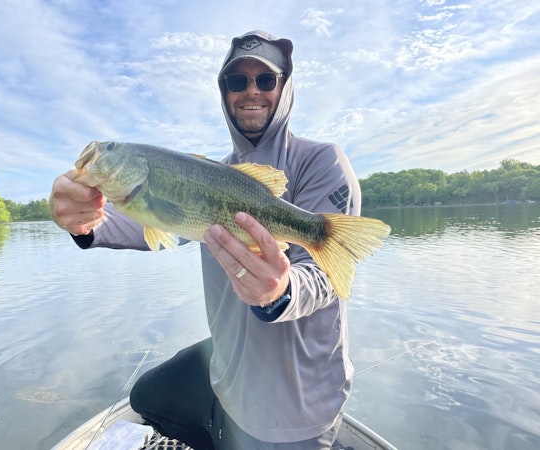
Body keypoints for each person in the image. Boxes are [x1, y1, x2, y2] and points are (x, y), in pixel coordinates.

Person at [50, 30, 361, 450]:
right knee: (148, 396)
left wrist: (281, 290)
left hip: (298, 405)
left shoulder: (321, 160)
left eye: (265, 79)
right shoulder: (213, 173)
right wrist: (83, 221)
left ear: (285, 88)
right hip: (230, 377)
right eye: (237, 81)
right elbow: (147, 222)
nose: (251, 91)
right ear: (224, 92)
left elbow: (324, 280)